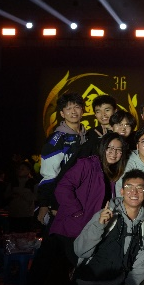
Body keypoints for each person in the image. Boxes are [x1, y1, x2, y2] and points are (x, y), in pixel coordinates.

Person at [21, 134, 129, 285]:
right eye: (110, 148)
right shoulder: (87, 164)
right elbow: (63, 187)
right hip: (69, 227)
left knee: (67, 268)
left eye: (118, 150)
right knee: (81, 270)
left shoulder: (111, 173)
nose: (114, 153)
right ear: (102, 148)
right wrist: (77, 212)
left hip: (84, 230)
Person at [37, 92, 87, 226]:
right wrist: (44, 204)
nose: (73, 111)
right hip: (61, 201)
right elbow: (49, 174)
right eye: (68, 108)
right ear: (62, 113)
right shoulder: (57, 139)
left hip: (82, 198)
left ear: (82, 111)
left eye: (77, 107)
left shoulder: (88, 137)